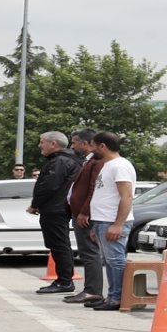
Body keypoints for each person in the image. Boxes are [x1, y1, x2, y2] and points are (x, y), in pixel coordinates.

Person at [85, 132, 137, 311]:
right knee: (109, 260)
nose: (90, 150)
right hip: (103, 221)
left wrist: (118, 224)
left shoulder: (120, 166)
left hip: (112, 222)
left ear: (102, 146)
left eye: (92, 145)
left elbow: (126, 196)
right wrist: (96, 225)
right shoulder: (108, 166)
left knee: (115, 261)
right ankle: (112, 295)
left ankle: (118, 298)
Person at [29, 131, 82, 294]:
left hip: (56, 208)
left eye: (42, 142)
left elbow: (49, 185)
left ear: (53, 144)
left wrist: (35, 204)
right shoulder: (64, 159)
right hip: (57, 207)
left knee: (59, 245)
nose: (40, 145)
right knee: (58, 244)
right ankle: (63, 280)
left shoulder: (60, 161)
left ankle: (64, 281)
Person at [64, 129, 105, 305]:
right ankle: (90, 289)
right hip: (79, 213)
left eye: (74, 142)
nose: (72, 146)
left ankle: (92, 291)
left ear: (86, 143)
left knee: (90, 252)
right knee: (86, 252)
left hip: (85, 216)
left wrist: (85, 212)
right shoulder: (87, 161)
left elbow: (93, 189)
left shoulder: (96, 162)